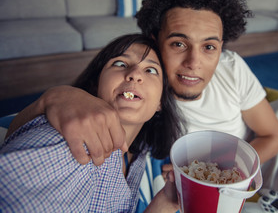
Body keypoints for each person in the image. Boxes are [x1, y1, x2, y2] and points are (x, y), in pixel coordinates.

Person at [6, 0, 278, 212]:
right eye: (178, 43)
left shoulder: (230, 67)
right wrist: (53, 97)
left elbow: (273, 134)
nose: (194, 63)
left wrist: (235, 168)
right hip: (246, 168)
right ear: (157, 43)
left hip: (262, 139)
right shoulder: (146, 101)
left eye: (209, 47)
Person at [0, 34, 183, 212]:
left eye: (151, 70)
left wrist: (166, 203)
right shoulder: (67, 147)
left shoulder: (141, 153)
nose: (135, 74)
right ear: (96, 85)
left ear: (160, 101)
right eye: (120, 63)